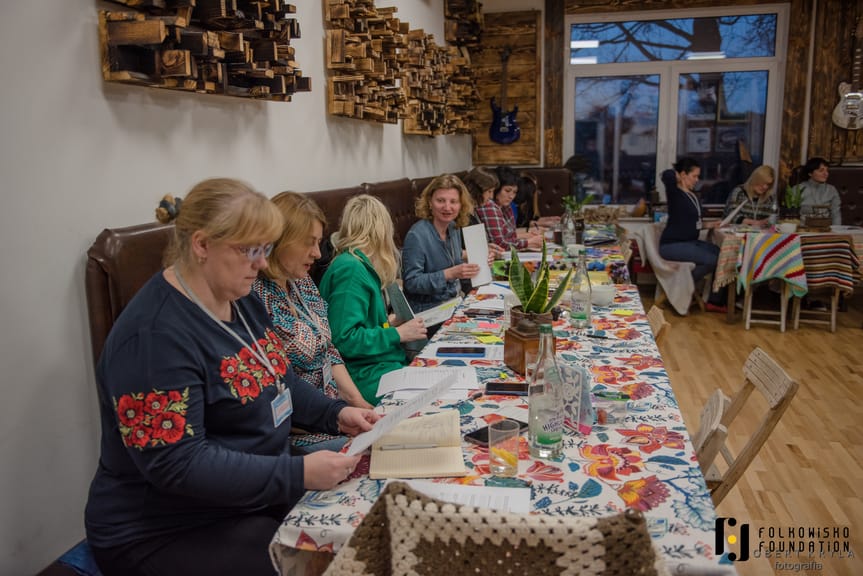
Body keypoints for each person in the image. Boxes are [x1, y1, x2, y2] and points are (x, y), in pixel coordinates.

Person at [85, 179, 379, 576]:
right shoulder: (154, 339)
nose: (261, 264)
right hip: (163, 526)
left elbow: (280, 379)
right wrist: (295, 473)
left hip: (246, 492)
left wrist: (336, 413)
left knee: (370, 519)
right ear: (202, 245)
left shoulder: (240, 298)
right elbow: (177, 464)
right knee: (313, 562)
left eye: (267, 249)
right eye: (250, 250)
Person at [253, 191, 373, 411]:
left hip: (333, 406)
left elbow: (328, 350)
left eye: (318, 242)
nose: (317, 254)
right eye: (309, 243)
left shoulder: (302, 280)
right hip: (304, 424)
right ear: (280, 240)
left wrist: (359, 403)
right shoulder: (257, 296)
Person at [319, 195, 427, 406]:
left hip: (376, 365)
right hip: (363, 374)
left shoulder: (356, 263)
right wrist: (398, 334)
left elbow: (359, 324)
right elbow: (343, 339)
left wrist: (388, 324)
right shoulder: (351, 269)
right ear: (382, 229)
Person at [401, 174, 479, 313]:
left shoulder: (453, 227)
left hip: (453, 303)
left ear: (461, 205)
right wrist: (449, 274)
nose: (447, 207)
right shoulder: (417, 235)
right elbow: (412, 282)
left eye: (453, 201)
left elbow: (449, 256)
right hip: (428, 311)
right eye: (441, 200)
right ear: (430, 202)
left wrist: (479, 256)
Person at [659, 158, 724, 311]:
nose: (697, 179)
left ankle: (714, 301)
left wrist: (710, 225)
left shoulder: (693, 196)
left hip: (688, 242)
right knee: (712, 259)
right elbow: (666, 174)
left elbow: (693, 223)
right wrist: (676, 175)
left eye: (697, 176)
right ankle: (680, 287)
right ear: (683, 175)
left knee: (721, 254)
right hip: (671, 245)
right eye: (694, 176)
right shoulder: (675, 193)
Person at [476, 166, 544, 251]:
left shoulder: (506, 206)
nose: (511, 196)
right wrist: (528, 242)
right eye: (507, 191)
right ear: (497, 188)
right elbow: (500, 243)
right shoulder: (489, 206)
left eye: (514, 192)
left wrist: (528, 235)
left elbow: (511, 235)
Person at [799, 156, 841, 225]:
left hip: (826, 230)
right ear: (810, 173)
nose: (826, 173)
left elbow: (836, 214)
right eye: (821, 170)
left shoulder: (831, 190)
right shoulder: (798, 189)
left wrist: (837, 232)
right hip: (804, 229)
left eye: (827, 170)